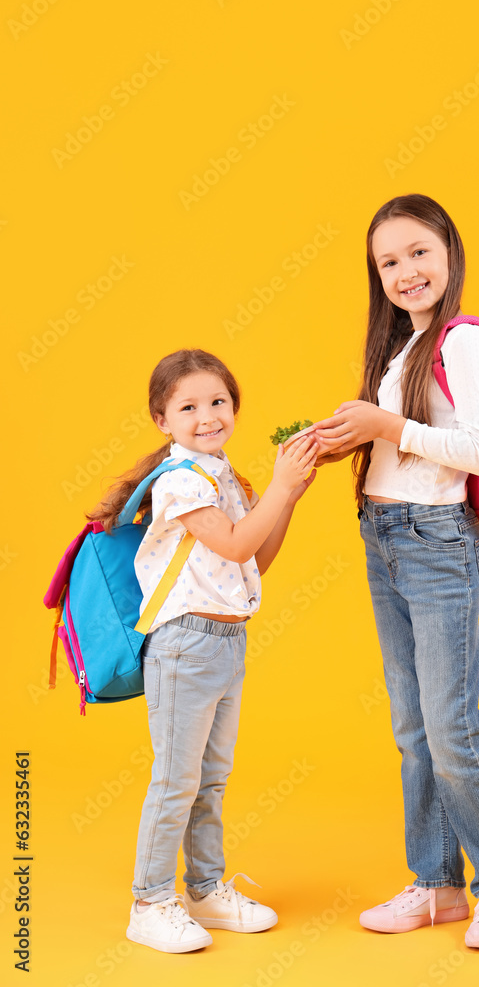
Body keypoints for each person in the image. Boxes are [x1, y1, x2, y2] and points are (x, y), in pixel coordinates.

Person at [312, 195, 479, 949]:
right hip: (384, 535)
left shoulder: (462, 339)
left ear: (448, 251)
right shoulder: (402, 347)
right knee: (412, 728)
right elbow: (407, 445)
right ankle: (437, 885)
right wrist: (349, 440)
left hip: (435, 543)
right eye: (388, 262)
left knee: (448, 725)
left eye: (418, 252)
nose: (405, 271)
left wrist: (385, 426)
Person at [88, 348, 318, 954]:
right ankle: (149, 901)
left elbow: (253, 563)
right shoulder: (181, 481)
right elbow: (239, 543)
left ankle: (205, 889)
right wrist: (281, 482)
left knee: (210, 780)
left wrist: (287, 498)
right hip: (184, 646)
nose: (208, 415)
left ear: (235, 407)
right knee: (176, 781)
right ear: (163, 420)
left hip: (227, 642)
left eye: (218, 401)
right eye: (188, 406)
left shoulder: (221, 476)